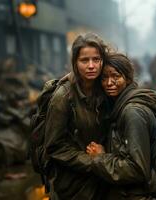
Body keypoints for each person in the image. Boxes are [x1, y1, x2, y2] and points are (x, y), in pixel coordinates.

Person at [86, 53, 156, 199]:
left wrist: (100, 158)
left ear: (127, 78)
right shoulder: (119, 107)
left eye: (115, 76)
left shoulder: (132, 112)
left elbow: (138, 170)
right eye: (104, 78)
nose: (109, 83)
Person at [43, 33, 111, 200]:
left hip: (103, 177)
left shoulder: (106, 88)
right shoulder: (63, 98)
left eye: (96, 59)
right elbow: (54, 147)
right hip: (73, 184)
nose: (91, 66)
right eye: (84, 60)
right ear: (75, 63)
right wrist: (93, 161)